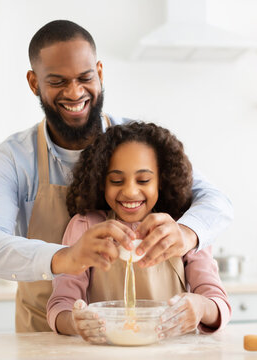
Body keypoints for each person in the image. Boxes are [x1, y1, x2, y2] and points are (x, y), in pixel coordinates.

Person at [0, 19, 233, 332]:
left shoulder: (139, 142)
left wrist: (187, 235)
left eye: (85, 77)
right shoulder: (12, 159)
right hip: (45, 335)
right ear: (33, 82)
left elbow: (215, 200)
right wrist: (67, 257)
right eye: (57, 81)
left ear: (100, 73)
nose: (74, 92)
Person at [47, 122, 231, 342]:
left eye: (143, 180)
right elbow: (61, 304)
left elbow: (217, 302)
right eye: (116, 180)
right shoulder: (85, 226)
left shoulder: (182, 229)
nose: (130, 191)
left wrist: (200, 307)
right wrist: (75, 322)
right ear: (101, 182)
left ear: (161, 181)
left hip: (175, 353)